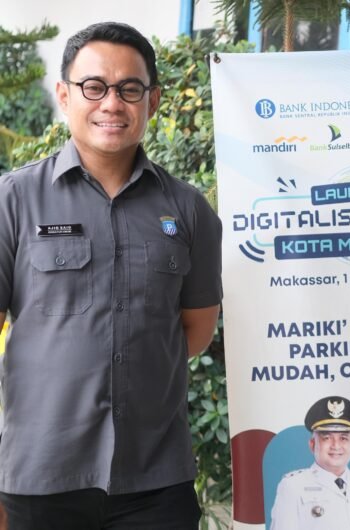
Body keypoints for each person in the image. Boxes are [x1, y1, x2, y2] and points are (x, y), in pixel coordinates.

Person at [0, 22, 222, 529]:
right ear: (64, 95)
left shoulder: (188, 210)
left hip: (155, 483)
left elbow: (195, 331)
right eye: (94, 87)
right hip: (39, 478)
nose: (112, 104)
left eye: (130, 89)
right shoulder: (13, 201)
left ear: (153, 100)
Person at [270, 395, 350, 530]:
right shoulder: (293, 487)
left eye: (343, 438)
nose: (336, 446)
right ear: (312, 444)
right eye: (327, 438)